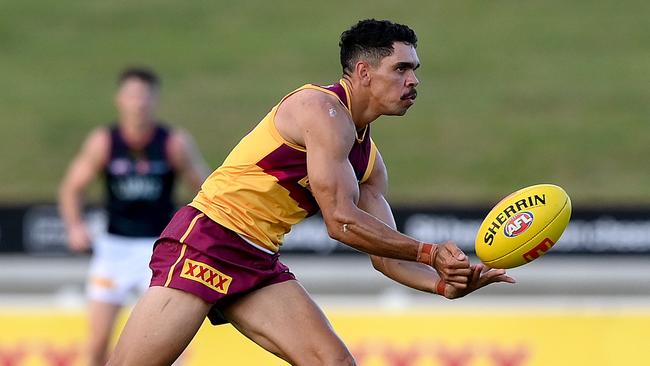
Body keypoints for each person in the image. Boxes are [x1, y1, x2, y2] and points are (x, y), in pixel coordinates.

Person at [107, 20, 515, 366]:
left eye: (415, 70)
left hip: (257, 258)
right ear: (364, 72)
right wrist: (429, 252)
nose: (414, 81)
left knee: (334, 362)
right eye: (402, 69)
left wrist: (441, 284)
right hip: (208, 240)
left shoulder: (368, 161)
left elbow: (384, 256)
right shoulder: (318, 109)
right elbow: (340, 221)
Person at [59, 67, 209, 366]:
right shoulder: (104, 142)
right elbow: (71, 188)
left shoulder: (173, 143)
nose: (138, 103)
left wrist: (197, 234)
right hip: (113, 248)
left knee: (169, 341)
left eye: (144, 96)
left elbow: (207, 191)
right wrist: (74, 227)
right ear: (120, 99)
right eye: (132, 95)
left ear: (155, 99)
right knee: (98, 341)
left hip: (158, 250)